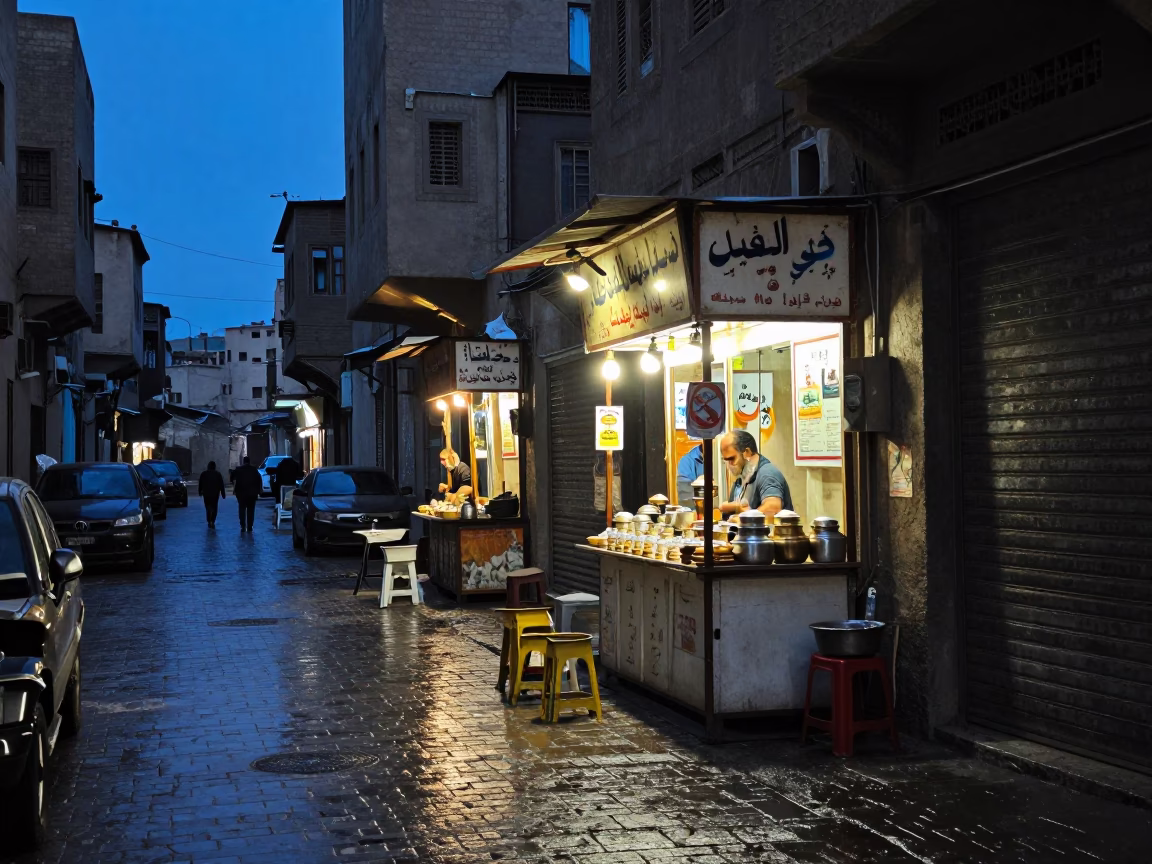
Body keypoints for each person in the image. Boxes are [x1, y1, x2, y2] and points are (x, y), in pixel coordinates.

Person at [718, 429, 793, 518]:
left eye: (732, 459)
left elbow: (773, 507)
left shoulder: (767, 474)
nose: (729, 465)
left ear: (747, 453)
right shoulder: (741, 479)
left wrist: (743, 520)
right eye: (726, 460)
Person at [231, 456, 262, 533]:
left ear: (243, 461)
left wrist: (234, 484)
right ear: (249, 461)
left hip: (241, 493)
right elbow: (259, 480)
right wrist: (259, 491)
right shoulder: (254, 469)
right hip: (252, 494)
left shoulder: (238, 469)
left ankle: (243, 525)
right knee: (251, 510)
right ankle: (250, 526)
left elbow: (231, 477)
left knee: (242, 509)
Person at [197, 461, 226, 529]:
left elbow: (200, 484)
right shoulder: (218, 474)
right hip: (215, 493)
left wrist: (200, 492)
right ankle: (212, 520)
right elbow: (221, 485)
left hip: (206, 493)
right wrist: (223, 494)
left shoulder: (204, 474)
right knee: (215, 507)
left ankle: (209, 520)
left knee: (207, 506)